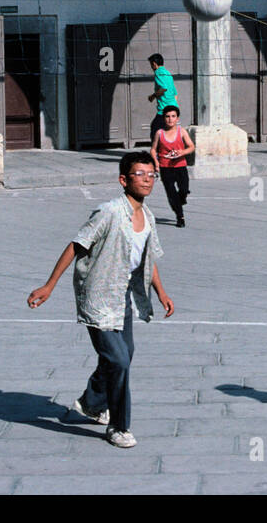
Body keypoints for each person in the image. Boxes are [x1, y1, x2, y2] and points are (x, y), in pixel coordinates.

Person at [27, 152, 175, 449]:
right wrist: (49, 286)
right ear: (123, 180)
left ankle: (92, 403)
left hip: (123, 297)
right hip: (97, 296)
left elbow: (147, 258)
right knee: (119, 360)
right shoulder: (108, 211)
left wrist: (161, 292)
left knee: (124, 355)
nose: (147, 179)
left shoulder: (147, 216)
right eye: (140, 174)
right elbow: (76, 245)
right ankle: (119, 427)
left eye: (151, 174)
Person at [150, 104, 194, 228]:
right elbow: (153, 149)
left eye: (173, 116)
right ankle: (180, 217)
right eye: (167, 116)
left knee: (184, 190)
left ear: (177, 119)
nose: (170, 119)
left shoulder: (182, 132)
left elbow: (191, 147)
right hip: (166, 167)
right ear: (164, 118)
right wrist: (156, 162)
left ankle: (182, 198)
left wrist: (182, 152)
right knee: (171, 193)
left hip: (180, 166)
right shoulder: (160, 133)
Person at [146, 53, 179, 142]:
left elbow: (163, 88)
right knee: (167, 131)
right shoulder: (168, 74)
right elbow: (175, 94)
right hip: (174, 108)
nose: (151, 68)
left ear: (154, 64)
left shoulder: (158, 73)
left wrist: (152, 96)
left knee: (155, 129)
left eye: (151, 65)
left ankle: (156, 152)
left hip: (164, 110)